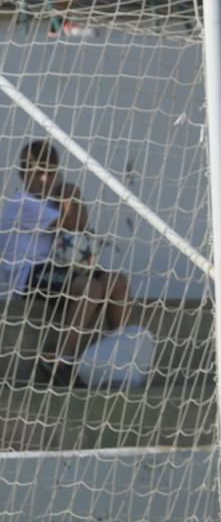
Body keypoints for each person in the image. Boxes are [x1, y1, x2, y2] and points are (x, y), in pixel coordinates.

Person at [0, 139, 130, 384]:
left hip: (57, 271)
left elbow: (81, 227)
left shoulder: (54, 202)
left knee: (117, 282)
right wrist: (70, 193)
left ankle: (117, 351)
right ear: (24, 173)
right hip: (28, 275)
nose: (46, 179)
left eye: (51, 172)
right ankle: (59, 358)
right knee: (90, 288)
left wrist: (70, 195)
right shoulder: (23, 203)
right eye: (39, 173)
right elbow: (75, 224)